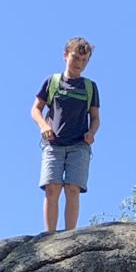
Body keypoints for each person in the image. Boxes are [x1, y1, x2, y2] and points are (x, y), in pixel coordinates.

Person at [31, 37, 100, 233]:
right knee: (52, 189)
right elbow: (36, 109)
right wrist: (43, 125)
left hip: (79, 145)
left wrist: (92, 132)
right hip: (53, 143)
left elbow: (95, 117)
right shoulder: (52, 82)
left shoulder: (89, 87)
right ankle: (50, 236)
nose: (79, 64)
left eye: (84, 61)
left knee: (72, 189)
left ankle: (69, 236)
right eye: (75, 58)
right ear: (65, 55)